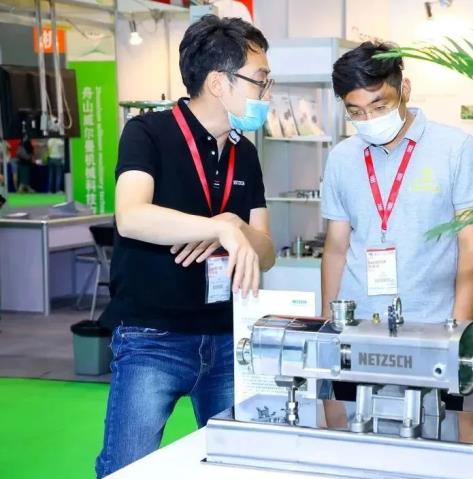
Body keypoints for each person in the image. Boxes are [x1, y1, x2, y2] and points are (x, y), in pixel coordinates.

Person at [95, 16, 276, 477]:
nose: (267, 93)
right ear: (218, 82)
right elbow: (131, 216)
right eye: (260, 80)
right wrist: (217, 229)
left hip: (227, 337)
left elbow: (266, 252)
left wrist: (231, 224)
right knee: (126, 468)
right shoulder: (147, 133)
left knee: (239, 465)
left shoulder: (245, 152)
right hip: (152, 337)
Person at [320, 41, 473, 409]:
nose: (369, 119)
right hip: (357, 329)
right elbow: (335, 249)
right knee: (353, 431)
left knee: (432, 432)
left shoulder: (455, 148)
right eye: (356, 112)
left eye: (379, 106)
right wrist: (328, 328)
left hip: (431, 329)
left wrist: (458, 334)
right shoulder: (341, 158)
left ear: (405, 90)